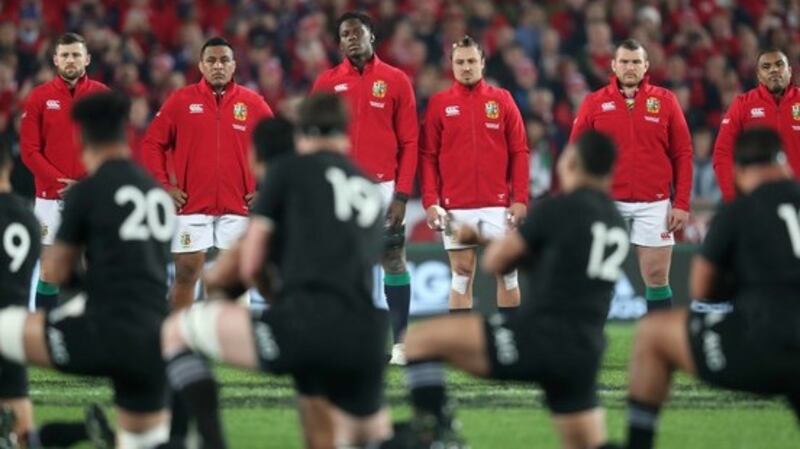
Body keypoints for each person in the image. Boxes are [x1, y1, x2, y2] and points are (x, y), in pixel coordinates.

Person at [160, 93, 392, 449]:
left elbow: (251, 265)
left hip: (304, 321)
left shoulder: (288, 171)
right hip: (368, 332)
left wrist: (272, 296)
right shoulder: (368, 187)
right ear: (345, 131)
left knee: (177, 332)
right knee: (358, 437)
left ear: (302, 131)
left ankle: (205, 441)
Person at [395, 131, 626, 449]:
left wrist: (479, 240)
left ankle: (436, 434)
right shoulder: (614, 220)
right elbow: (551, 266)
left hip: (539, 337)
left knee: (421, 340)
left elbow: (496, 264)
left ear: (570, 162)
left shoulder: (557, 210)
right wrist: (483, 238)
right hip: (584, 350)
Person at [0, 91, 176, 449]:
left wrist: (88, 287)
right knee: (138, 441)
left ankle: (21, 432)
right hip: (156, 337)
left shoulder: (89, 191)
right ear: (125, 135)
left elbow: (57, 270)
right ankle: (62, 436)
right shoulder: (156, 192)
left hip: (103, 331)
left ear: (81, 137)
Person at [624, 128, 800, 449]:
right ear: (784, 162)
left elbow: (701, 289)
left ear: (741, 170)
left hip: (762, 345)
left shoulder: (737, 212)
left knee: (652, 333)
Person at [311, 11, 418, 364]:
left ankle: (400, 343)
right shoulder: (326, 82)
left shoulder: (396, 80)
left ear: (372, 35)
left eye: (358, 32)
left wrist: (402, 195)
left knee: (392, 260)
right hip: (338, 187)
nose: (352, 38)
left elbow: (410, 142)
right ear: (339, 41)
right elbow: (313, 139)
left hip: (383, 187)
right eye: (345, 34)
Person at [142, 36, 273, 310]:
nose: (218, 66)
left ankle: (231, 343)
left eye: (224, 60)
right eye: (211, 61)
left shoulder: (253, 103)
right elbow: (152, 144)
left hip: (238, 205)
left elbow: (279, 146)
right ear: (201, 66)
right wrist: (164, 186)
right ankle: (179, 340)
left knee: (235, 277)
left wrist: (266, 189)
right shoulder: (180, 100)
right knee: (186, 273)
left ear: (234, 65)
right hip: (191, 204)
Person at [570, 38, 693, 313]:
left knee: (657, 277)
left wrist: (682, 203)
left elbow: (683, 154)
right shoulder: (594, 103)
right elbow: (575, 155)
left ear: (646, 66)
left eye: (636, 61)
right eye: (624, 61)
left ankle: (660, 347)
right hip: (606, 201)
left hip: (655, 201)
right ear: (613, 65)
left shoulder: (665, 101)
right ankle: (587, 346)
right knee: (594, 277)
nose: (630, 66)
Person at [419, 35, 529, 316]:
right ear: (451, 66)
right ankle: (463, 344)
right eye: (460, 62)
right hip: (456, 205)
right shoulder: (439, 104)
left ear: (482, 62)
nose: (466, 67)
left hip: (499, 204)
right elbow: (428, 156)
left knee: (507, 273)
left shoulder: (502, 100)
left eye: (471, 61)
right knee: (462, 274)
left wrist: (520, 200)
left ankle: (511, 347)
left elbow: (519, 151)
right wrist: (431, 201)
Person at [19, 32, 108, 311]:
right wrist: (59, 182)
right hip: (49, 197)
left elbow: (111, 146)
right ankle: (44, 333)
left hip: (93, 195)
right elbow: (29, 151)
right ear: (56, 59)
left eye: (76, 54)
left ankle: (93, 331)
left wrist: (86, 186)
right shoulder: (39, 97)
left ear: (87, 58)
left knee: (95, 265)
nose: (71, 60)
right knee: (48, 268)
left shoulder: (101, 96)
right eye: (66, 55)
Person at [712, 48, 800, 202]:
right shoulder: (742, 105)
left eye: (779, 65)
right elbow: (722, 153)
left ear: (790, 71)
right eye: (766, 67)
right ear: (759, 76)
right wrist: (732, 197)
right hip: (758, 200)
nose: (774, 70)